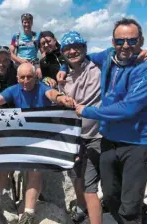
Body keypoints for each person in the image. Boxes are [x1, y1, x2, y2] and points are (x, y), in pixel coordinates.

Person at [75, 18, 147, 224]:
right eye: (120, 41)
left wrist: (87, 111)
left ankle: (141, 216)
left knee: (130, 205)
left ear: (141, 41)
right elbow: (80, 56)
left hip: (137, 143)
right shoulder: (108, 56)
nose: (125, 46)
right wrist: (61, 67)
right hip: (109, 140)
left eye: (132, 41)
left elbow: (128, 108)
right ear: (113, 41)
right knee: (111, 195)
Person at [0, 63, 75, 224]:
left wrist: (61, 98)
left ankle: (28, 212)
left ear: (36, 77)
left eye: (29, 77)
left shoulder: (41, 88)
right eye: (22, 77)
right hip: (21, 135)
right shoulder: (14, 89)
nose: (26, 81)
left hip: (40, 137)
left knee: (35, 170)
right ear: (17, 78)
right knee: (3, 162)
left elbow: (52, 94)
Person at [58, 31, 103, 224]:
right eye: (67, 48)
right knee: (76, 176)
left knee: (90, 185)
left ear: (84, 48)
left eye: (77, 47)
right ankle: (81, 207)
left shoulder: (99, 68)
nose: (72, 51)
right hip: (74, 137)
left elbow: (116, 53)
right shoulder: (63, 77)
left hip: (97, 136)